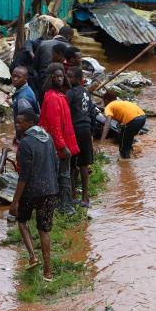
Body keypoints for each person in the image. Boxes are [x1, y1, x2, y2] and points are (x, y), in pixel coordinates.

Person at [10, 110, 60, 282]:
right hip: (51, 190)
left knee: (22, 221)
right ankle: (48, 272)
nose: (17, 125)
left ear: (30, 123)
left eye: (20, 122)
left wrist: (15, 201)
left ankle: (32, 257)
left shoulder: (25, 144)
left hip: (32, 191)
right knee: (44, 230)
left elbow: (24, 176)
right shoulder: (48, 139)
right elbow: (56, 163)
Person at [39, 63, 80, 213]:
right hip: (57, 144)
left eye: (61, 76)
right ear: (51, 78)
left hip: (62, 142)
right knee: (62, 175)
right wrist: (62, 146)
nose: (60, 79)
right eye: (56, 76)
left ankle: (64, 203)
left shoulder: (59, 96)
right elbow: (54, 125)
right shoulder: (52, 97)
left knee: (63, 174)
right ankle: (64, 206)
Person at [66, 66, 99, 206]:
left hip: (75, 129)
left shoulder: (70, 93)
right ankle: (85, 198)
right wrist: (92, 130)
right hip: (85, 129)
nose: (68, 79)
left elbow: (64, 111)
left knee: (72, 164)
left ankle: (73, 196)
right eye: (67, 76)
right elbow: (92, 112)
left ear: (79, 79)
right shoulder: (86, 92)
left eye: (70, 77)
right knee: (83, 164)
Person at [100, 91, 146, 159]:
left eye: (103, 101)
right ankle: (132, 153)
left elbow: (107, 124)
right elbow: (122, 114)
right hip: (143, 117)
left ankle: (126, 163)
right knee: (127, 139)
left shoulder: (108, 107)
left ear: (106, 100)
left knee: (123, 148)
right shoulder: (119, 102)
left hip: (132, 121)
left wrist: (101, 143)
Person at [34, 25, 73, 91]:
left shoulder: (43, 43)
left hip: (42, 81)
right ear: (69, 37)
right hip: (61, 85)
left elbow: (35, 65)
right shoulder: (70, 48)